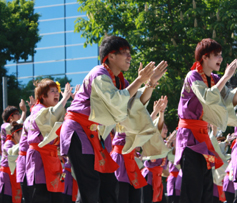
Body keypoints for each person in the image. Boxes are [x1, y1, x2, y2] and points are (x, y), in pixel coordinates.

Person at [60, 35, 169, 203]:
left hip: (95, 135)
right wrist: (140, 80)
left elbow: (133, 103)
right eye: (124, 52)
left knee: (109, 185)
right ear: (110, 56)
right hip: (78, 131)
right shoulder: (99, 74)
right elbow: (118, 100)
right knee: (91, 185)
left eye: (129, 53)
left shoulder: (119, 80)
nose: (129, 57)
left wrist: (150, 84)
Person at [175, 38, 237, 203]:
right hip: (189, 137)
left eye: (220, 55)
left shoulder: (215, 78)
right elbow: (206, 97)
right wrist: (226, 77)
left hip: (203, 137)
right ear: (204, 57)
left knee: (205, 190)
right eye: (216, 55)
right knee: (192, 190)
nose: (220, 58)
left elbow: (230, 100)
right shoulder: (193, 75)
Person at [24, 79, 72, 203]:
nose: (57, 93)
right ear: (43, 96)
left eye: (57, 91)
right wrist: (65, 98)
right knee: (41, 195)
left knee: (56, 197)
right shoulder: (38, 110)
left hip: (52, 158)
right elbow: (51, 115)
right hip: (39, 158)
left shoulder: (54, 110)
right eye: (52, 91)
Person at [141, 96, 168, 203]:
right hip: (148, 178)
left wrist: (161, 112)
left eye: (166, 127)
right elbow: (149, 125)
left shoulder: (164, 145)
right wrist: (156, 112)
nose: (165, 129)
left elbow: (160, 123)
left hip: (157, 178)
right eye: (163, 127)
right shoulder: (150, 137)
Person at [0, 121, 23, 203]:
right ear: (15, 134)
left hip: (14, 176)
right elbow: (12, 153)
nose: (24, 137)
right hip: (6, 178)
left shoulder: (15, 144)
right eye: (22, 134)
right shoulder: (8, 143)